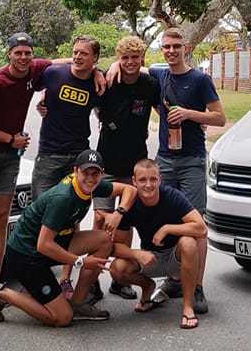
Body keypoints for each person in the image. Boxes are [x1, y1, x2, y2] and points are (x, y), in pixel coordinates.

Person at [0, 33, 102, 316]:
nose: (23, 58)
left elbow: (66, 62)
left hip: (11, 156)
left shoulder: (36, 70)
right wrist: (9, 139)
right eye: (18, 53)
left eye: (27, 53)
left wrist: (95, 69)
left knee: (0, 217)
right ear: (9, 54)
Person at [0, 150, 137, 326]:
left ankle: (78, 304)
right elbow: (43, 245)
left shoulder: (92, 185)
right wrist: (80, 262)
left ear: (101, 174)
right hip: (26, 255)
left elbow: (130, 190)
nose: (90, 178)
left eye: (95, 173)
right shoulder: (63, 198)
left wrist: (118, 213)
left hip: (51, 244)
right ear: (75, 170)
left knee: (104, 240)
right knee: (62, 318)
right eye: (85, 172)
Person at [151, 27, 223, 313]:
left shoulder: (200, 80)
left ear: (186, 48)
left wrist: (190, 114)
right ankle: (174, 279)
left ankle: (198, 286)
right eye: (166, 47)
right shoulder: (159, 75)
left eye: (176, 46)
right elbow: (131, 64)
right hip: (165, 160)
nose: (171, 51)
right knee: (168, 219)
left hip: (191, 160)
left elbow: (219, 118)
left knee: (196, 224)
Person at [89, 35, 160, 301]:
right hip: (106, 163)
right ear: (118, 59)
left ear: (142, 58)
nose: (130, 62)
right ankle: (91, 280)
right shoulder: (108, 81)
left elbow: (164, 109)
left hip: (135, 165)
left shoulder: (150, 84)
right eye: (125, 58)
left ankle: (119, 280)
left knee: (124, 221)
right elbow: (90, 99)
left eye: (135, 57)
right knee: (100, 220)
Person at [108, 159, 208, 330]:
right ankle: (148, 286)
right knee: (116, 268)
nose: (148, 185)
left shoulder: (172, 196)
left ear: (160, 179)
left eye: (153, 179)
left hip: (177, 258)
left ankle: (188, 306)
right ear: (134, 181)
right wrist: (136, 254)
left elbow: (202, 228)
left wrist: (167, 229)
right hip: (150, 257)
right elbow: (114, 247)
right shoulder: (130, 204)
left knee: (189, 242)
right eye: (142, 180)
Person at [31, 35, 107, 199]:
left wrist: (97, 71)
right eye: (75, 52)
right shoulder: (53, 74)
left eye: (84, 54)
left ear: (95, 58)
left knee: (72, 207)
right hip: (49, 154)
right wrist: (42, 101)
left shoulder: (98, 84)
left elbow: (102, 111)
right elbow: (35, 72)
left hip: (78, 155)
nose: (78, 57)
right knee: (41, 206)